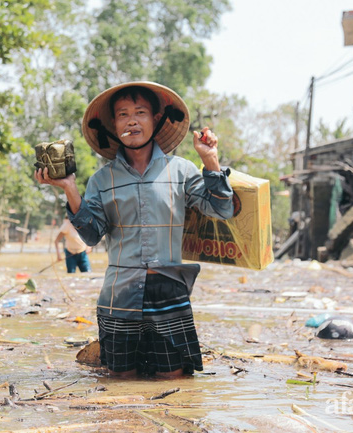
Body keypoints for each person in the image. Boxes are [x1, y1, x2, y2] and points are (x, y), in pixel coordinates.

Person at [35, 81, 234, 378]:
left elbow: (222, 209)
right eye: (123, 114)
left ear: (155, 119)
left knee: (176, 381)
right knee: (121, 384)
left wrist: (210, 159)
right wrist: (69, 188)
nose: (132, 120)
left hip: (169, 293)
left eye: (140, 112)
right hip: (119, 297)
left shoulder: (181, 170)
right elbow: (91, 235)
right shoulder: (102, 180)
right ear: (113, 124)